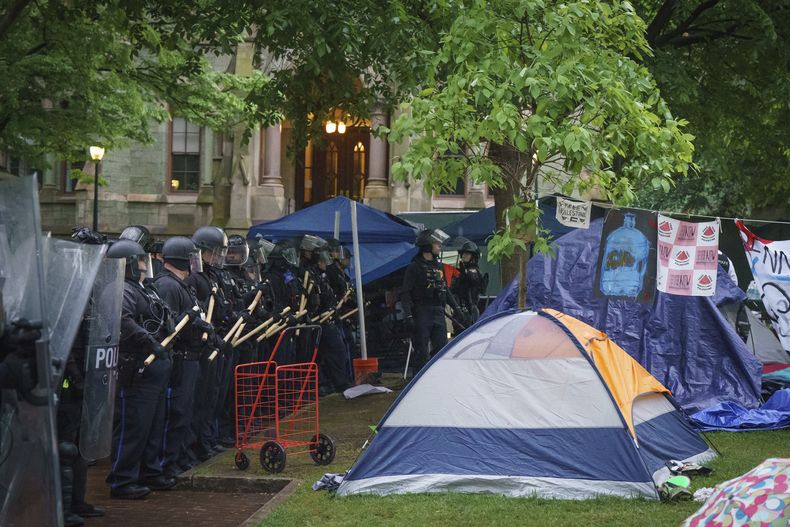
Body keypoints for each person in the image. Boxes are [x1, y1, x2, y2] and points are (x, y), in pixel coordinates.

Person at [106, 238, 175, 499]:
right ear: (129, 264)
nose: (146, 266)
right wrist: (149, 341)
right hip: (136, 368)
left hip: (155, 369)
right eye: (141, 261)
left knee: (153, 424)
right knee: (133, 426)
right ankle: (122, 480)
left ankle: (149, 471)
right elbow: (122, 320)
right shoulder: (122, 289)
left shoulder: (144, 289)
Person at [154, 236, 211, 479]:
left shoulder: (182, 285)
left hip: (191, 358)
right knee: (176, 413)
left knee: (185, 412)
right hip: (180, 359)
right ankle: (167, 462)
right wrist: (190, 322)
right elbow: (168, 326)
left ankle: (179, 457)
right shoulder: (168, 286)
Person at [401, 229, 465, 374]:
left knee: (442, 348)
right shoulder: (414, 267)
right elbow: (406, 292)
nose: (439, 246)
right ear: (427, 246)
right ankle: (418, 379)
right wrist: (408, 314)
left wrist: (457, 308)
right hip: (421, 312)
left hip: (438, 311)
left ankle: (436, 377)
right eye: (436, 243)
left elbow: (446, 290)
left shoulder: (439, 266)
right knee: (421, 351)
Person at [450, 239, 488, 324]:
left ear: (473, 256)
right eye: (463, 253)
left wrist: (465, 274)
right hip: (458, 309)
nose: (464, 256)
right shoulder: (459, 271)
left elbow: (473, 280)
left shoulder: (473, 271)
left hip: (470, 310)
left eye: (467, 254)